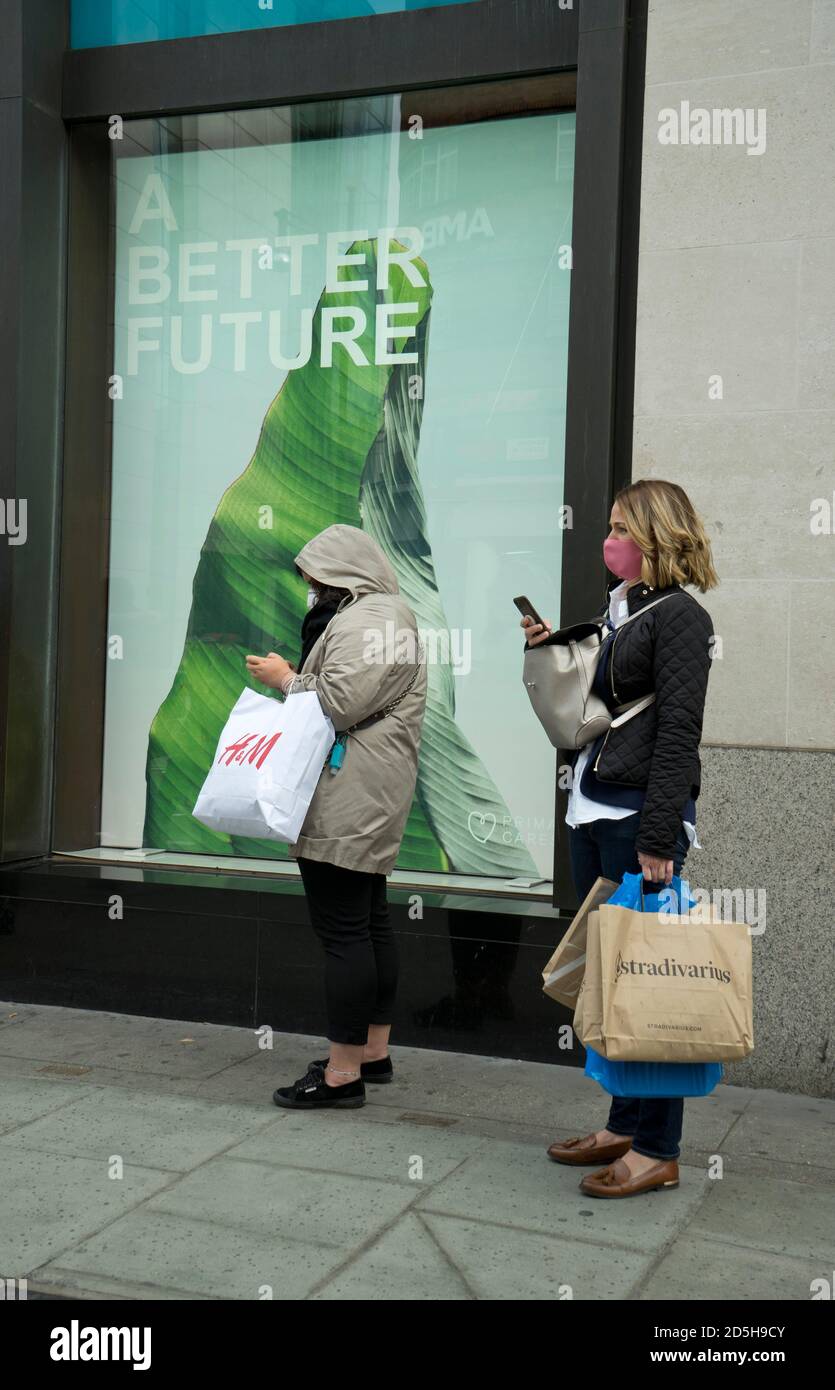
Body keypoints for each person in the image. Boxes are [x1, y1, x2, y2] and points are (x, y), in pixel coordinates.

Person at [522, 479, 718, 1198]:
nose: (608, 542)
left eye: (619, 529)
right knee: (614, 979)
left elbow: (677, 734)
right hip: (592, 810)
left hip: (638, 820)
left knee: (651, 979)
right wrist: (556, 646)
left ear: (656, 537)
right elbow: (602, 700)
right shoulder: (620, 610)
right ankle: (621, 1125)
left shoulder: (681, 619)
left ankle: (657, 1148)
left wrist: (660, 835)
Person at [245, 524, 426, 1110]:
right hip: (370, 785)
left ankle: (341, 1075)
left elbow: (339, 701)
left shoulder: (370, 619)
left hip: (351, 790)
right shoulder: (385, 614)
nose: (312, 591)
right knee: (368, 921)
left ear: (342, 573)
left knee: (344, 930)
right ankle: (372, 1053)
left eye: (316, 580)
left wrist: (284, 680)